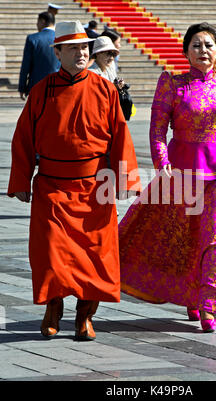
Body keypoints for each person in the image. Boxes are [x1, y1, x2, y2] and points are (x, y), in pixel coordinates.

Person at [7, 20, 141, 341]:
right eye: (73, 48)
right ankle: (53, 307)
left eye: (84, 47)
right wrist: (21, 180)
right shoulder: (41, 91)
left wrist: (124, 178)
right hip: (52, 187)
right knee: (51, 252)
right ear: (58, 53)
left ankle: (85, 316)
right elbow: (23, 138)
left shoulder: (105, 89)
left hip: (95, 188)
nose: (81, 53)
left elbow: (121, 135)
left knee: (95, 255)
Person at [118, 22, 216, 333]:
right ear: (185, 51)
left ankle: (209, 305)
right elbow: (157, 129)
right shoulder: (172, 84)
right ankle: (191, 296)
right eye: (196, 45)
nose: (202, 50)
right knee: (185, 237)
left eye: (208, 45)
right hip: (181, 169)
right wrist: (161, 161)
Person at [18, 12, 60, 100]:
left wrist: (22, 87)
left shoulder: (33, 38)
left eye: (38, 22)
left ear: (43, 21)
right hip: (59, 85)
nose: (37, 24)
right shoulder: (61, 39)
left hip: (37, 86)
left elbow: (26, 65)